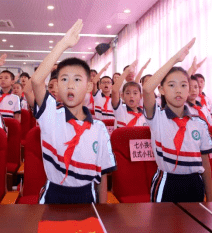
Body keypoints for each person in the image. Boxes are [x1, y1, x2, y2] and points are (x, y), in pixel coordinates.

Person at [30, 19, 116, 204]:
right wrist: (63, 44)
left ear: (89, 86)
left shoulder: (99, 128)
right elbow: (37, 81)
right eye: (64, 79)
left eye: (77, 80)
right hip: (54, 196)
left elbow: (102, 177)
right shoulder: (51, 115)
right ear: (57, 87)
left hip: (87, 197)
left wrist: (102, 210)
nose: (70, 85)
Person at [142, 38, 212, 203]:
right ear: (161, 89)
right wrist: (175, 59)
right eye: (171, 85)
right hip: (167, 182)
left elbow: (206, 164)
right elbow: (147, 89)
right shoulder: (157, 118)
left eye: (183, 85)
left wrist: (210, 198)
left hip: (195, 183)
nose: (178, 90)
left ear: (189, 89)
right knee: (163, 228)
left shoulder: (199, 123)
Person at [111, 60, 146, 128]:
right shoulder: (120, 110)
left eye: (135, 93)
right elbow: (114, 90)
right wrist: (127, 71)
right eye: (127, 93)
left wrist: (142, 69)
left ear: (140, 96)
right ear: (122, 96)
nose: (131, 96)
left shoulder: (145, 115)